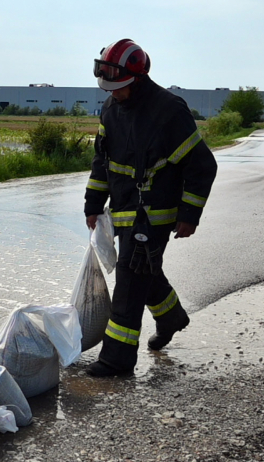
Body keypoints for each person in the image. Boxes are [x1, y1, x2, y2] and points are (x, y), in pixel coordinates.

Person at [83, 38, 218, 377]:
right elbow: (103, 161)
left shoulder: (168, 110)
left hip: (154, 216)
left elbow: (202, 166)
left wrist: (189, 214)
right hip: (123, 211)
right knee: (144, 271)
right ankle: (171, 316)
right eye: (109, 87)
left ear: (138, 78)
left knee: (129, 283)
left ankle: (116, 359)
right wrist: (93, 204)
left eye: (121, 87)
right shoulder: (111, 108)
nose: (114, 93)